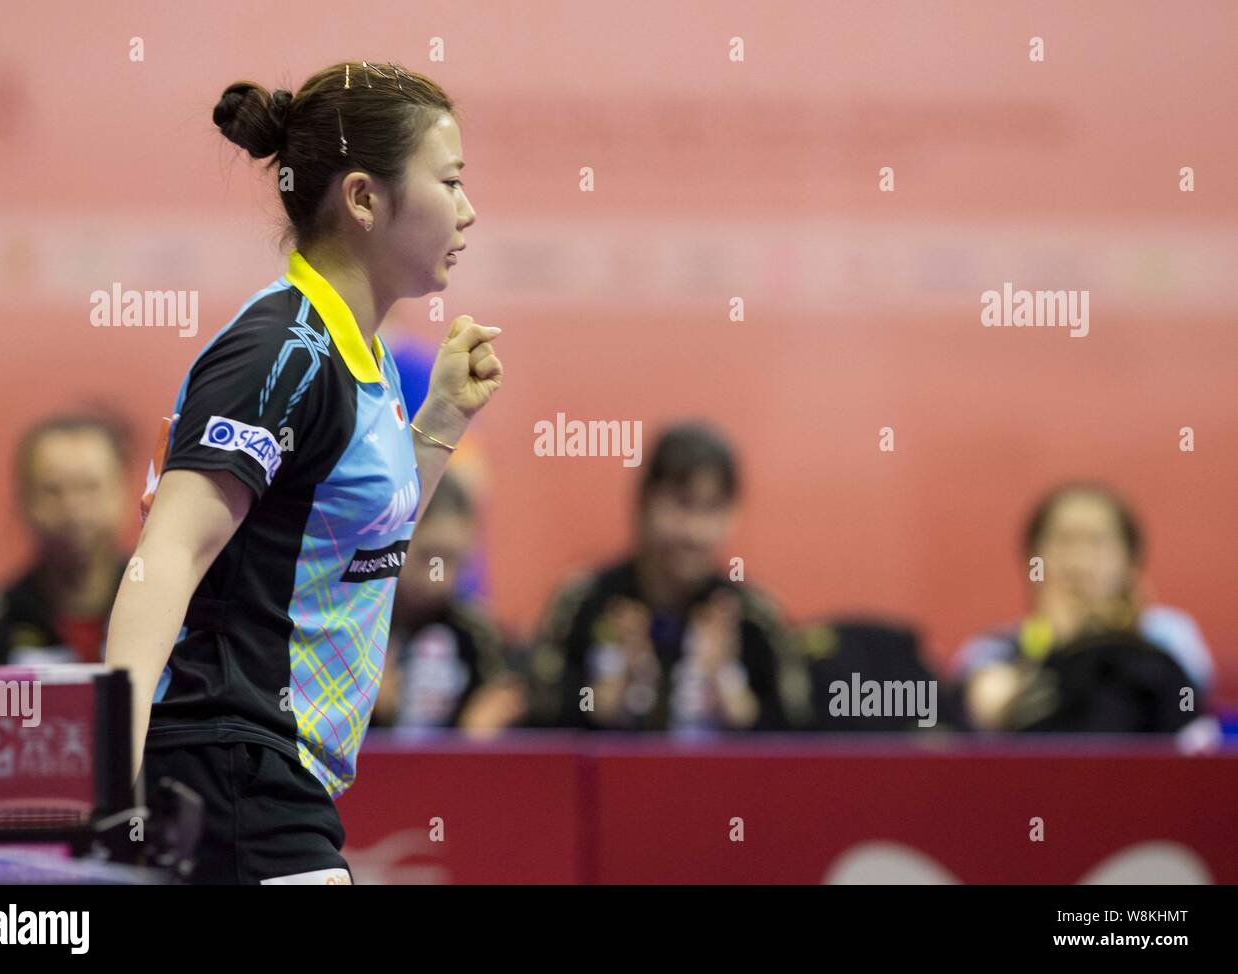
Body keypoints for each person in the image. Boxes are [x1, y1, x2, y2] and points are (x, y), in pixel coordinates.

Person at [104, 60, 501, 884]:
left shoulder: (370, 360)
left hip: (275, 773)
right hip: (225, 762)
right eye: (451, 181)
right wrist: (110, 768)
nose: (469, 210)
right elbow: (168, 552)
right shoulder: (282, 351)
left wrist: (439, 426)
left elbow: (358, 545)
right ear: (363, 198)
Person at [528, 422, 794, 733]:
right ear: (643, 503)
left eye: (713, 508)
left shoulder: (754, 619)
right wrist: (610, 691)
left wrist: (727, 684)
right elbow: (539, 726)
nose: (695, 531)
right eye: (682, 503)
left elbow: (796, 741)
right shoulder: (582, 602)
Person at [955, 482, 1214, 732]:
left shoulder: (1168, 633)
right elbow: (984, 707)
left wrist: (1117, 635)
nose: (1078, 562)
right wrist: (1058, 640)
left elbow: (1188, 702)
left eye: (1096, 541)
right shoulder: (997, 647)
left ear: (1130, 562)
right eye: (1063, 541)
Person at [0, 413, 131, 667]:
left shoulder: (176, 615)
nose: (74, 507)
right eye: (53, 490)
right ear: (23, 501)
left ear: (122, 493)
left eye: (90, 487)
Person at [371, 471, 526, 736]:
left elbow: (514, 695)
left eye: (453, 561)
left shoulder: (477, 635)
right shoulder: (357, 621)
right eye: (428, 556)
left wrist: (485, 723)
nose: (438, 577)